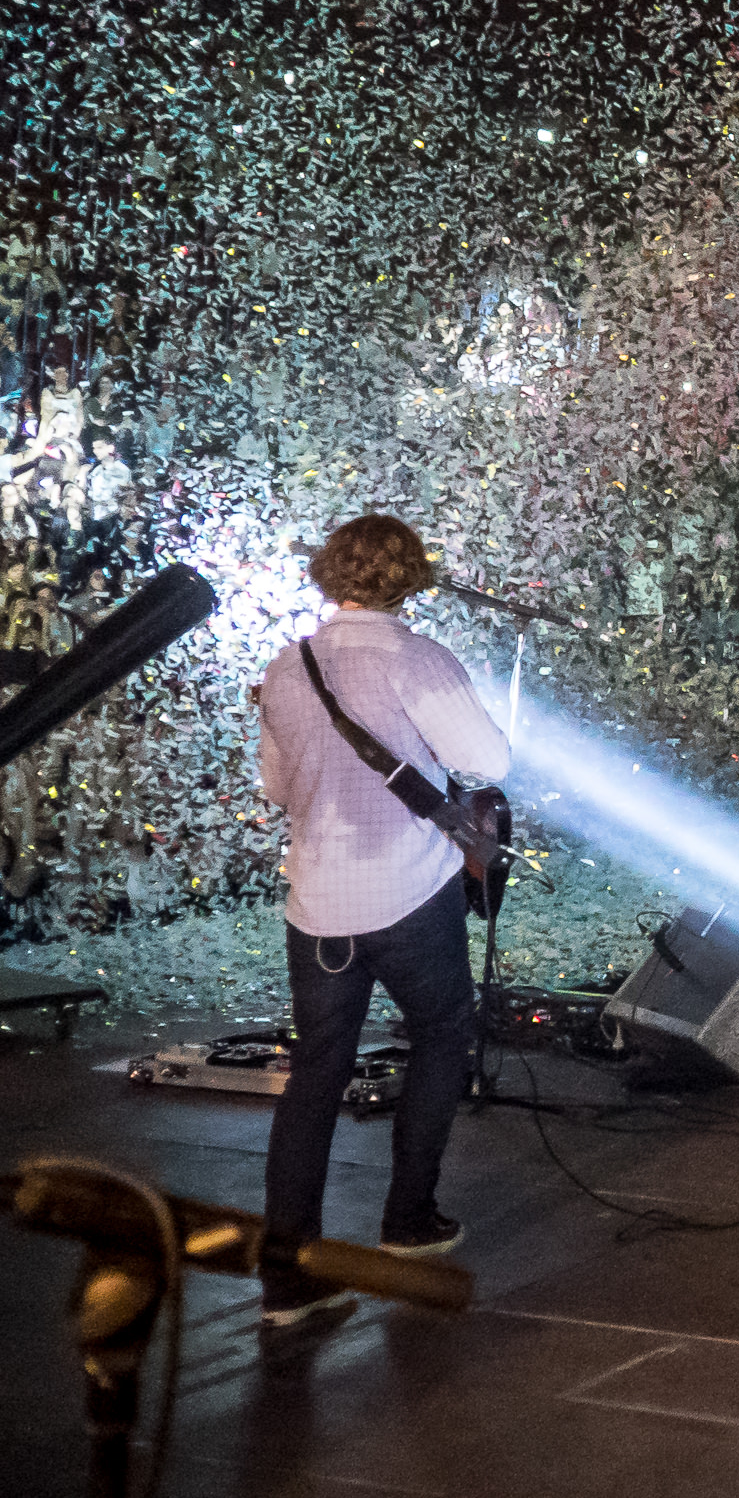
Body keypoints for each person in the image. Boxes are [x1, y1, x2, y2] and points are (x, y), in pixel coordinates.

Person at [254, 514, 510, 1330]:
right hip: (408, 896)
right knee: (442, 1033)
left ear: (330, 574)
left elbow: (274, 790)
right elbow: (494, 764)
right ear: (408, 578)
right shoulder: (420, 659)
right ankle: (408, 1221)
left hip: (318, 906)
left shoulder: (286, 666)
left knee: (315, 1077)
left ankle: (288, 1280)